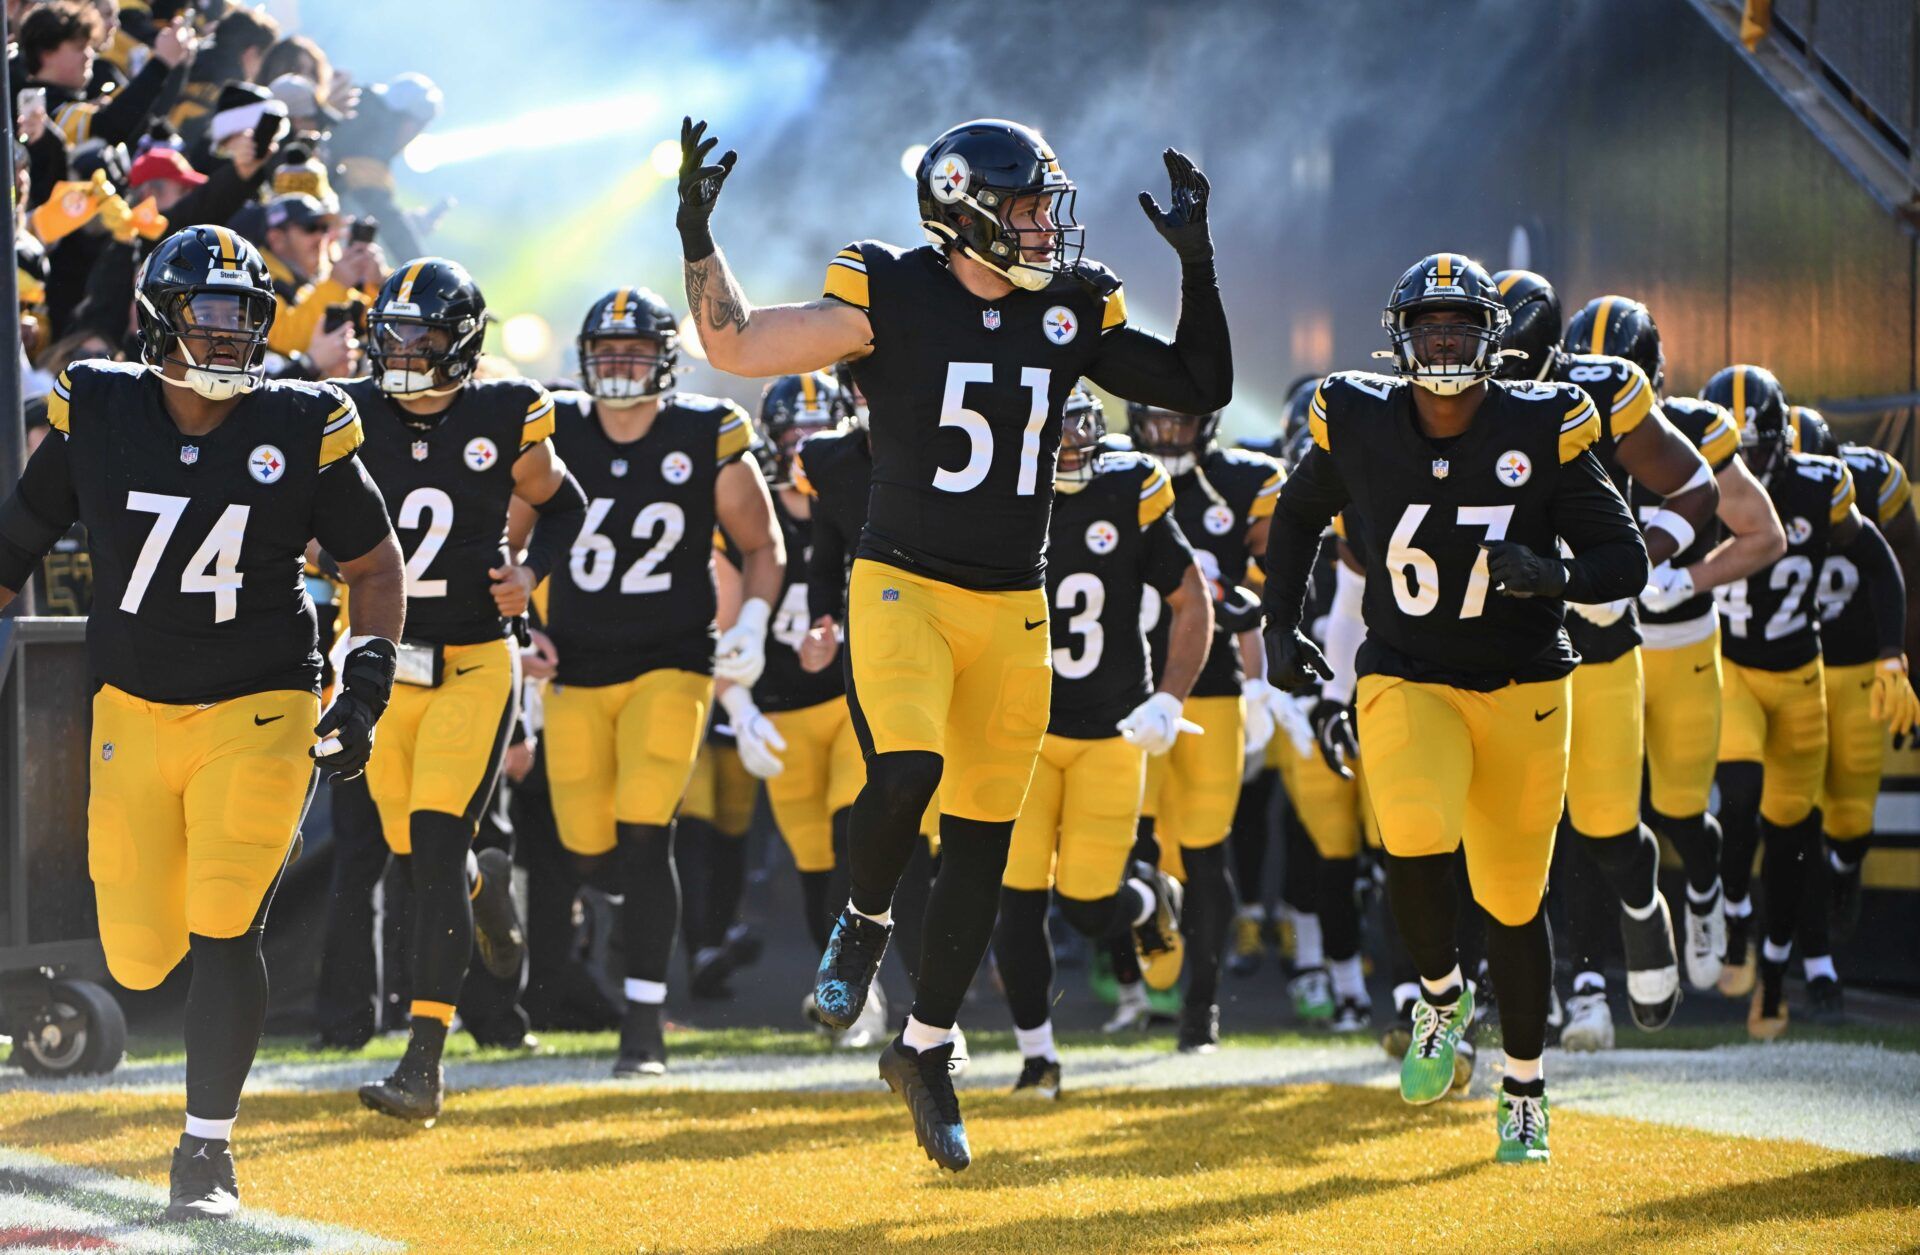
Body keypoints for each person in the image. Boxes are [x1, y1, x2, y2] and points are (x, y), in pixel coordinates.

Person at [675, 113, 1231, 1169]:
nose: (1042, 228)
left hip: (1012, 601)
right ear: (966, 206)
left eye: (1043, 207)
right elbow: (737, 345)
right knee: (909, 772)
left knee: (982, 833)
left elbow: (1198, 385)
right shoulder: (891, 285)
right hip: (903, 585)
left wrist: (1197, 266)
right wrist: (701, 242)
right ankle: (863, 919)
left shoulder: (1069, 304)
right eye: (1024, 207)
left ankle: (925, 1043)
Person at [0, 225, 404, 1221]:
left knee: (227, 916)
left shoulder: (305, 418)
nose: (228, 344)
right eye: (209, 321)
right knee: (137, 952)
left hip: (259, 703)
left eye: (243, 324)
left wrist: (366, 684)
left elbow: (374, 564)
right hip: (130, 709)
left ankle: (206, 1150)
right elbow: (16, 535)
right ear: (157, 323)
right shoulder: (97, 404)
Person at [1264, 252, 1649, 1164]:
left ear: (1492, 339)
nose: (1443, 342)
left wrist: (1556, 575)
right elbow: (1295, 514)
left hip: (1524, 681)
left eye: (1461, 327)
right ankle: (1439, 995)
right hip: (1408, 669)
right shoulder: (1356, 416)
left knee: (1514, 904)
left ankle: (1524, 1086)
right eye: (1428, 327)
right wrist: (1282, 623)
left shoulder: (1542, 419)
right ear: (1401, 339)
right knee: (1413, 834)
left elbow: (1623, 556)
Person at [338, 258, 585, 1122]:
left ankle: (425, 1062)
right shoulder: (351, 412)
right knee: (418, 864)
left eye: (423, 336)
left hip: (475, 662)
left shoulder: (503, 413)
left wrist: (531, 574)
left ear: (462, 345)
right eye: (393, 332)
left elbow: (565, 502)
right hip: (380, 665)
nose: (403, 351)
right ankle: (485, 895)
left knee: (436, 851)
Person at [530, 286, 781, 1076]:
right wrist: (519, 624)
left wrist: (749, 626)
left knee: (647, 830)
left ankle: (643, 1021)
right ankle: (626, 953)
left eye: (635, 353)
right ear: (584, 359)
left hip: (671, 660)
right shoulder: (556, 428)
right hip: (572, 665)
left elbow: (762, 545)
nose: (620, 368)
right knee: (588, 848)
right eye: (607, 354)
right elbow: (505, 538)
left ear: (665, 360)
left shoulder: (704, 433)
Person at [1492, 272, 1718, 1046]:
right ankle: (1553, 988)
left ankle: (1645, 909)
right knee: (1515, 829)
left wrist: (1633, 566)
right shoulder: (1444, 400)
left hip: (1598, 643)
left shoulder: (1606, 392)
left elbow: (1695, 488)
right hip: (1503, 652)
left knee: (1608, 829)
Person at [1564, 295, 1787, 994]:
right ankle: (1593, 980)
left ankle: (1701, 895)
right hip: (1601, 653)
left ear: (1651, 380)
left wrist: (1686, 572)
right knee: (1597, 822)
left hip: (1682, 643)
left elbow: (1765, 535)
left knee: (1683, 812)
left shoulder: (1691, 431)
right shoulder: (1553, 425)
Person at [992, 385, 1207, 1095]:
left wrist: (1169, 700)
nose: (1072, 445)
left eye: (1079, 428)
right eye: (1055, 432)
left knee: (1088, 908)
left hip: (1111, 727)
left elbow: (1190, 599)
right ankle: (1037, 1057)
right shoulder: (990, 490)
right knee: (1016, 901)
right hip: (1019, 731)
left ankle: (1147, 898)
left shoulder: (1129, 485)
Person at [1698, 366, 1917, 1037]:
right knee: (1738, 794)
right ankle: (1731, 908)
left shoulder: (1820, 488)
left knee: (1795, 832)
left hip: (1801, 676)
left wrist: (1891, 656)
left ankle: (1772, 975)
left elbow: (1884, 562)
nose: (1747, 469)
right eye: (1733, 454)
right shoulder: (1693, 483)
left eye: (1757, 452)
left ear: (1784, 446)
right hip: (1731, 666)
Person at [1130, 400, 1285, 1049]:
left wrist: (1261, 680)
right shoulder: (1118, 474)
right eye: (1157, 420)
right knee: (1130, 840)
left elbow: (1280, 573)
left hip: (1214, 691)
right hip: (1133, 688)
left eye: (1181, 418)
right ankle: (1148, 951)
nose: (1169, 431)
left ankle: (1202, 1002)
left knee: (1204, 845)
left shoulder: (1240, 482)